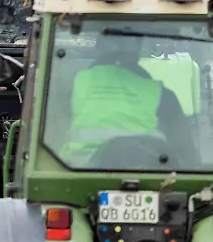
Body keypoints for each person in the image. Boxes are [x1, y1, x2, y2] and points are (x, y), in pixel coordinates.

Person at [60, 34, 192, 165]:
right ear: (138, 50)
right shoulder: (160, 93)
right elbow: (186, 153)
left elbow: (52, 134)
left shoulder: (74, 84)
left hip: (79, 173)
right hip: (147, 174)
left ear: (98, 47)